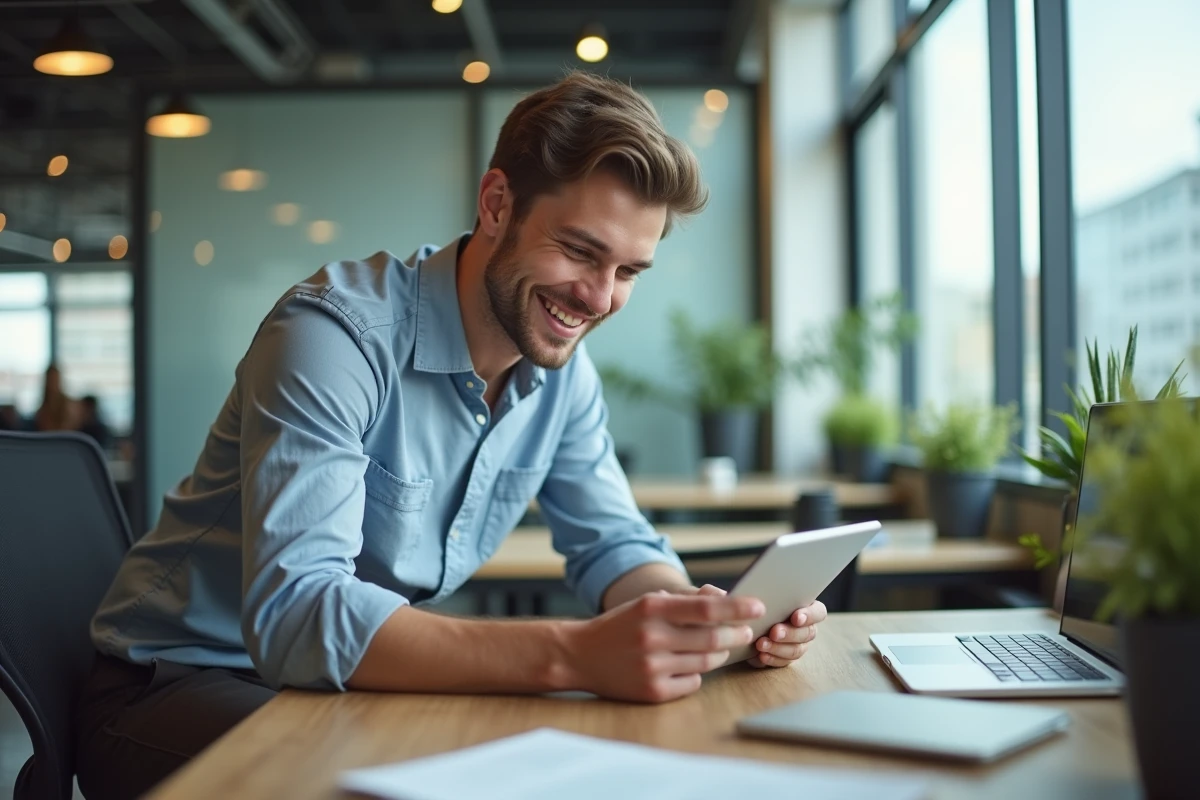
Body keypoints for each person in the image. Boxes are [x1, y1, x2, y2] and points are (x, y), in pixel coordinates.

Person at [74, 73, 827, 800]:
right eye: (580, 251)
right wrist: (574, 653)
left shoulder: (562, 375)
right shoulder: (334, 337)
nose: (599, 298)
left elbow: (615, 546)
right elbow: (298, 616)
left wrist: (696, 620)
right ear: (497, 204)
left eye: (629, 270)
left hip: (332, 689)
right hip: (176, 685)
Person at [33, 364, 79, 432]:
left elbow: (70, 427)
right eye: (51, 379)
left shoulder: (69, 406)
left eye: (55, 379)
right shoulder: (42, 409)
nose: (53, 382)